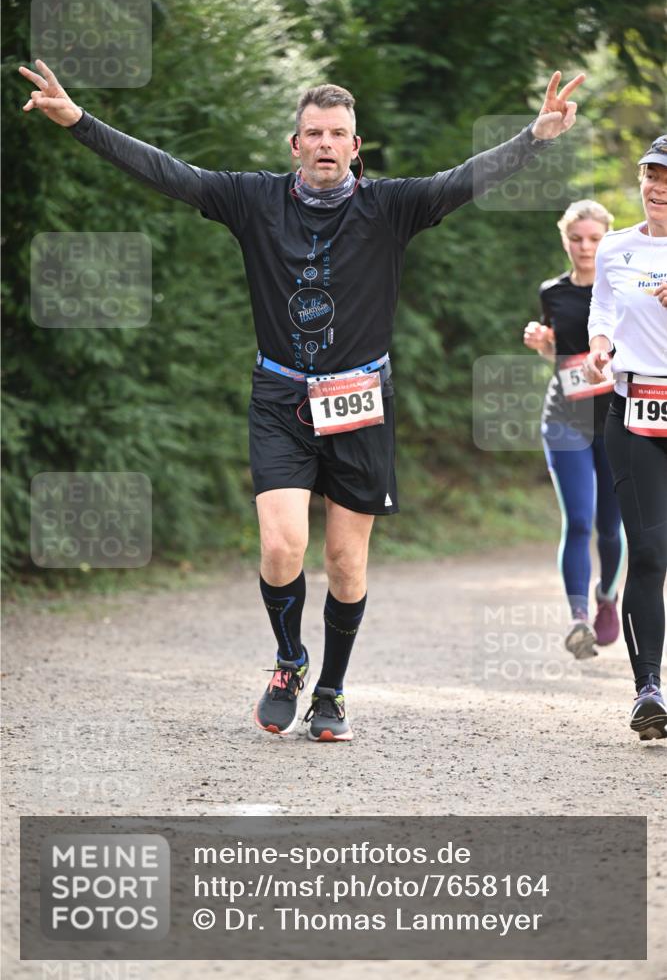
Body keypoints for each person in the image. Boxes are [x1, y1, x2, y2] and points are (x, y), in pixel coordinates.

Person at [20, 59, 584, 742]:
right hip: (280, 396)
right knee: (282, 545)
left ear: (355, 145)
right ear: (295, 145)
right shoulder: (253, 200)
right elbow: (169, 172)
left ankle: (332, 690)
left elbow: (463, 180)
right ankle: (289, 661)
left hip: (359, 400)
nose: (324, 143)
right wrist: (79, 121)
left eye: (337, 133)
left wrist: (535, 136)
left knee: (346, 562)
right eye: (313, 132)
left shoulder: (390, 207)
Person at [583, 134, 667, 741]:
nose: (658, 187)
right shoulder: (615, 248)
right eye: (651, 175)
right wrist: (599, 347)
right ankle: (649, 691)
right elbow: (603, 310)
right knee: (650, 553)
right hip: (635, 411)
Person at [523, 201, 623, 659]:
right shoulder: (552, 292)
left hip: (617, 419)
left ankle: (607, 596)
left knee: (610, 527)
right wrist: (543, 346)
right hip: (565, 417)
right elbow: (561, 358)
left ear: (607, 240)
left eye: (594, 239)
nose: (585, 247)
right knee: (579, 520)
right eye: (576, 239)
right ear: (564, 240)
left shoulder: (623, 290)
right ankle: (578, 618)